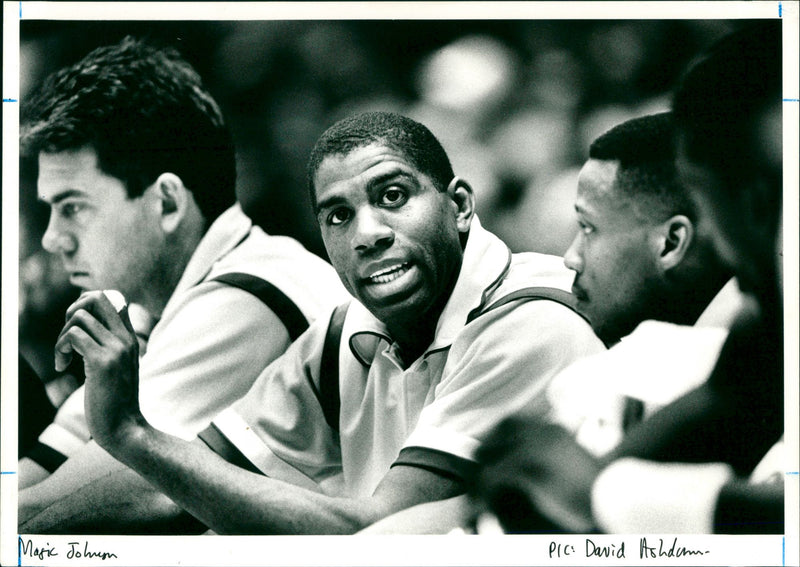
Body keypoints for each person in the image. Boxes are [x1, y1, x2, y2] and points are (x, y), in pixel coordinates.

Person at [53, 111, 604, 534]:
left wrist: (129, 433)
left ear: (459, 205)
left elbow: (374, 534)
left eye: (393, 196)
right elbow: (179, 484)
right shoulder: (346, 331)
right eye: (338, 215)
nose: (367, 234)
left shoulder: (532, 323)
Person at [17, 37, 347, 532]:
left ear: (168, 203)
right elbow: (31, 483)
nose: (53, 238)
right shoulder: (155, 309)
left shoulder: (251, 294)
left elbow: (60, 510)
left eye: (74, 207)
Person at [471, 22, 785, 535]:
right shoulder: (766, 317)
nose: (723, 245)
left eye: (711, 199)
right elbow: (730, 403)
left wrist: (609, 496)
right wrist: (560, 477)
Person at [360, 111, 737, 534]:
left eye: (588, 228)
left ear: (670, 243)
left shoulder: (652, 363)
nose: (572, 257)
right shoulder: (712, 357)